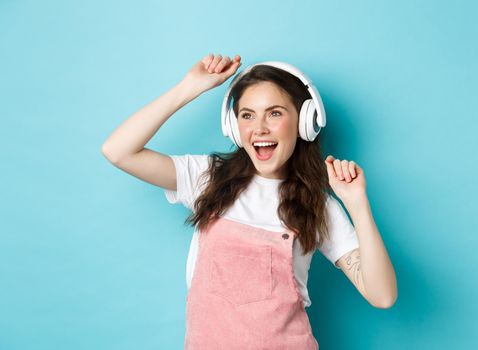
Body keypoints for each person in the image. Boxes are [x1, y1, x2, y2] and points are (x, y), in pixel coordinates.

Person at [101, 53, 398, 349]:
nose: (259, 128)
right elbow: (118, 151)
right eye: (247, 115)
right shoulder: (208, 178)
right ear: (234, 125)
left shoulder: (317, 205)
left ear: (304, 122)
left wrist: (357, 204)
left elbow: (381, 295)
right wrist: (188, 88)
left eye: (275, 113)